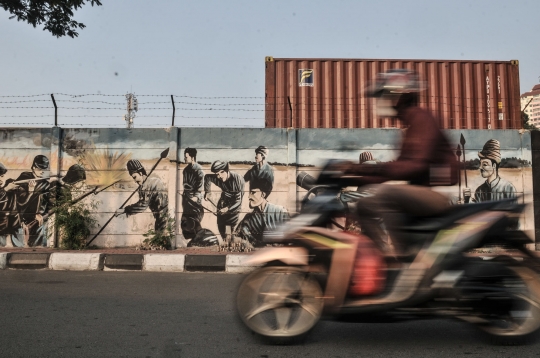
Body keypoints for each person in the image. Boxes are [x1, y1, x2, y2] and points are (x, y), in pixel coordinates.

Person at [341, 69, 458, 254]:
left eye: (383, 95)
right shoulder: (409, 126)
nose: (380, 101)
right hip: (420, 195)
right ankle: (380, 256)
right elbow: (395, 170)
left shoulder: (421, 118)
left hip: (436, 197)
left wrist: (364, 169)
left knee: (382, 195)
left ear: (399, 96)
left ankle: (400, 257)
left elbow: (413, 166)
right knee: (364, 200)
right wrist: (348, 178)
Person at [115, 160, 169, 232]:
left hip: (165, 220)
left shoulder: (151, 183)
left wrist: (125, 210)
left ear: (140, 173)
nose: (134, 181)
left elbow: (143, 205)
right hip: (160, 219)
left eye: (134, 177)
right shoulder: (143, 186)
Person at [235, 178, 289, 247]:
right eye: (249, 193)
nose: (249, 196)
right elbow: (236, 236)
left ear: (263, 194)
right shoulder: (248, 219)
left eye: (253, 192)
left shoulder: (280, 212)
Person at [15, 155, 52, 247]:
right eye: (40, 169)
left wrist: (41, 214)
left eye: (44, 169)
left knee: (37, 244)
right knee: (24, 245)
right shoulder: (24, 178)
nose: (43, 171)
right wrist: (30, 191)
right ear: (34, 168)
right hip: (24, 220)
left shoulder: (45, 184)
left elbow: (47, 202)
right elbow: (20, 202)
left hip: (38, 220)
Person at [204, 160, 245, 240]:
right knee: (221, 227)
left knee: (230, 231)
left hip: (234, 206)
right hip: (223, 202)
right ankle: (225, 242)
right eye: (216, 174)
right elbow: (207, 177)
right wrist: (207, 192)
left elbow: (238, 201)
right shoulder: (218, 178)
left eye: (220, 174)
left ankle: (229, 244)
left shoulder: (237, 180)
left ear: (225, 171)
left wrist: (227, 209)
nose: (218, 177)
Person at [181, 148, 205, 240]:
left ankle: (199, 239)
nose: (184, 159)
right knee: (185, 221)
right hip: (186, 199)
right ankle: (190, 240)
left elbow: (199, 188)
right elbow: (185, 185)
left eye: (186, 157)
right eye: (184, 157)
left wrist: (195, 197)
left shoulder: (199, 170)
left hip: (195, 201)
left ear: (192, 158)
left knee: (193, 221)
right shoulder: (185, 170)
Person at [0, 163, 20, 247]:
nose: (0, 179)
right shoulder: (4, 190)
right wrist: (6, 189)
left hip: (7, 226)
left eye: (1, 176)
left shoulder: (6, 190)